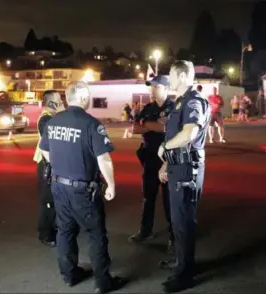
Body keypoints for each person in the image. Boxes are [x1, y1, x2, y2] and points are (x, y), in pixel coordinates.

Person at [39, 81, 126, 293]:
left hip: (59, 186)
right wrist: (111, 185)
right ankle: (103, 282)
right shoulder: (91, 124)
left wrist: (60, 164)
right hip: (82, 190)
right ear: (84, 98)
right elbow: (104, 159)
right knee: (96, 233)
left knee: (65, 231)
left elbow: (45, 151)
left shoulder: (53, 122)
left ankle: (69, 275)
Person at [157, 60, 210, 293]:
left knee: (184, 222)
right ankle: (181, 262)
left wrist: (164, 147)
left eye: (171, 74)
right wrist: (166, 165)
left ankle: (185, 274)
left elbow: (189, 133)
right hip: (178, 166)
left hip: (188, 169)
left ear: (181, 76)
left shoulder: (194, 101)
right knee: (177, 221)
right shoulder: (180, 102)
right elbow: (177, 134)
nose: (169, 78)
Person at [128, 75, 174, 254]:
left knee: (170, 200)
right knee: (148, 196)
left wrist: (147, 124)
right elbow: (134, 128)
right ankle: (145, 230)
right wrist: (152, 124)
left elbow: (167, 128)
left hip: (168, 159)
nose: (152, 89)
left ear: (166, 88)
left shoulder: (173, 107)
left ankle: (173, 236)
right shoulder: (148, 108)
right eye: (152, 86)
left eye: (156, 86)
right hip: (149, 157)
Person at [33, 90, 66, 247]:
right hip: (47, 164)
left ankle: (53, 229)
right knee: (48, 201)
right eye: (59, 100)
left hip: (53, 163)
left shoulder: (53, 117)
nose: (62, 103)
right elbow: (52, 141)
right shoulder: (46, 119)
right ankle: (46, 234)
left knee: (55, 200)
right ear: (51, 103)